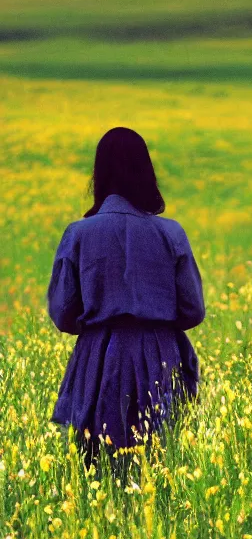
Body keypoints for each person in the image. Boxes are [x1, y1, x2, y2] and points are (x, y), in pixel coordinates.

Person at [46, 127, 206, 481]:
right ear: (146, 173)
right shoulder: (171, 234)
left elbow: (62, 313)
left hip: (96, 358)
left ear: (98, 176)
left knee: (94, 472)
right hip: (160, 355)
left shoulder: (78, 234)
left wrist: (100, 318)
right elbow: (193, 310)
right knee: (158, 469)